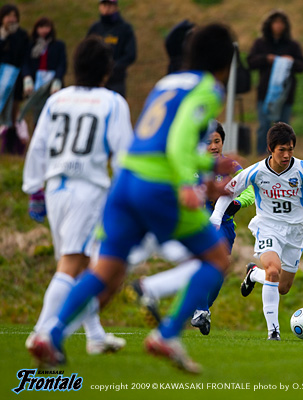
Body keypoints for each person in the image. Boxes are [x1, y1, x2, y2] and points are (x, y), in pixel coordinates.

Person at [27, 24, 236, 374]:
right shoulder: (208, 88)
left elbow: (158, 135)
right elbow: (182, 136)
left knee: (105, 269)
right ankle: (167, 334)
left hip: (124, 181)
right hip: (156, 184)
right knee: (216, 258)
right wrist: (191, 179)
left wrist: (209, 163)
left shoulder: (168, 83)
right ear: (224, 62)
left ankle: (52, 334)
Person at [22, 36, 131, 356]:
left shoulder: (57, 100)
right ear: (107, 70)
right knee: (74, 264)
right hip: (88, 190)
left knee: (81, 265)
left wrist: (34, 190)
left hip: (55, 187)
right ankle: (41, 334)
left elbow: (39, 145)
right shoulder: (112, 102)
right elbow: (125, 156)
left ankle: (95, 336)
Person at [128, 121, 255, 336]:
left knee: (220, 269)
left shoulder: (231, 166)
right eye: (208, 142)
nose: (214, 146)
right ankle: (196, 308)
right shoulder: (190, 165)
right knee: (202, 264)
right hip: (195, 225)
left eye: (217, 141)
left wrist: (236, 204)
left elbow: (250, 191)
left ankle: (200, 309)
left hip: (224, 225)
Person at [209, 122, 303, 340]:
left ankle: (254, 274)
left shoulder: (302, 170)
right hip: (268, 227)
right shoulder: (257, 171)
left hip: (295, 232)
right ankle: (273, 332)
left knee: (283, 287)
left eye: (290, 149)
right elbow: (228, 191)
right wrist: (216, 217)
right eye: (281, 150)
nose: (286, 155)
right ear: (270, 149)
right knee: (273, 271)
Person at [247, 10, 303, 155]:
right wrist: (266, 59)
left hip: (285, 94)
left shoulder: (292, 46)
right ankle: (261, 154)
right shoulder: (260, 44)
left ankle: (281, 155)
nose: (278, 26)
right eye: (276, 22)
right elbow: (250, 62)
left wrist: (290, 61)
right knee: (264, 126)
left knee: (283, 128)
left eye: (281, 23)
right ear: (269, 25)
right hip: (265, 94)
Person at [87, 0, 136, 98]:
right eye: (104, 5)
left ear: (116, 7)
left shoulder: (124, 29)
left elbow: (130, 54)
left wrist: (111, 68)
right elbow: (87, 51)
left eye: (109, 5)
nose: (106, 8)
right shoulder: (95, 28)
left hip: (116, 81)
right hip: (96, 81)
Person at [22, 17, 67, 124]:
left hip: (52, 82)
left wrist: (58, 79)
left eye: (47, 27)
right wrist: (27, 77)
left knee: (54, 110)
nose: (44, 30)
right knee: (37, 111)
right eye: (41, 27)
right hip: (37, 82)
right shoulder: (30, 45)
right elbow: (25, 62)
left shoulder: (58, 45)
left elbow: (62, 63)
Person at [0, 4, 29, 154]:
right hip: (0, 80)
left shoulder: (22, 35)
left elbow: (23, 57)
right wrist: (3, 38)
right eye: (8, 16)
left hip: (15, 82)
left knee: (13, 115)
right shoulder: (1, 35)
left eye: (14, 16)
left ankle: (10, 148)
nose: (11, 19)